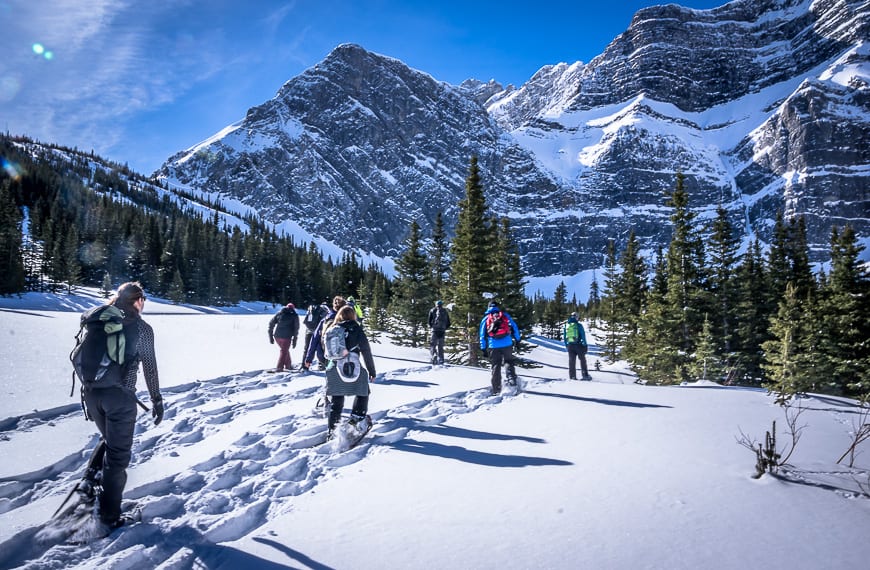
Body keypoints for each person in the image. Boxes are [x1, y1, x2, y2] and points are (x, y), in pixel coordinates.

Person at [82, 281, 162, 535]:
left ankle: (89, 483)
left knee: (109, 439)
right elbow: (149, 367)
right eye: (142, 300)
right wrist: (156, 399)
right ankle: (110, 516)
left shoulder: (99, 320)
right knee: (117, 458)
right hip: (120, 398)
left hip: (92, 394)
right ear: (138, 300)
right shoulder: (141, 328)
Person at [324, 305, 377, 439]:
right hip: (352, 367)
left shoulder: (332, 329)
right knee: (363, 391)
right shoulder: (357, 329)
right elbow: (366, 352)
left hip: (334, 368)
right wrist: (371, 371)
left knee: (336, 400)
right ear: (353, 316)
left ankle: (332, 430)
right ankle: (356, 419)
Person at [478, 301, 521, 395]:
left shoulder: (486, 319)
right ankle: (512, 381)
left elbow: (482, 335)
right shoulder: (505, 315)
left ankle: (496, 388)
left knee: (496, 365)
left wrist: (483, 348)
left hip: (493, 345)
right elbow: (514, 327)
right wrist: (517, 340)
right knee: (508, 361)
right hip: (507, 343)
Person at [303, 296, 347, 371]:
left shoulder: (325, 320)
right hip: (344, 356)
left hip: (325, 356)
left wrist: (309, 359)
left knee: (331, 377)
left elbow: (315, 339)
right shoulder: (348, 321)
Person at [268, 302, 300, 372]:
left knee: (284, 350)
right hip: (286, 337)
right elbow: (296, 328)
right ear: (293, 308)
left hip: (277, 336)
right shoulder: (294, 315)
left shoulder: (280, 313)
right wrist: (295, 340)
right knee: (284, 351)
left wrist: (270, 335)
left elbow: (271, 323)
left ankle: (288, 365)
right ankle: (279, 367)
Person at [563, 312, 591, 380]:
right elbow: (583, 336)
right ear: (576, 317)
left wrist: (566, 345)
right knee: (582, 360)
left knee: (571, 361)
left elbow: (564, 337)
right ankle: (585, 375)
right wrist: (585, 345)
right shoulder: (579, 325)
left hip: (570, 345)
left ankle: (572, 376)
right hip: (578, 345)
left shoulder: (567, 325)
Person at [302, 301, 329, 367]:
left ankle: (304, 365)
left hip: (308, 331)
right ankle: (322, 364)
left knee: (307, 349)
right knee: (320, 348)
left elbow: (305, 321)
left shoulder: (312, 310)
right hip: (318, 332)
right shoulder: (325, 310)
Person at [427, 300, 451, 364]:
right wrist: (444, 328)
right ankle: (441, 359)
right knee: (440, 346)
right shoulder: (445, 311)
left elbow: (429, 321)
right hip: (442, 330)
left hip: (434, 330)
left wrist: (432, 327)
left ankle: (433, 356)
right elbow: (448, 323)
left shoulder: (432, 310)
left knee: (433, 344)